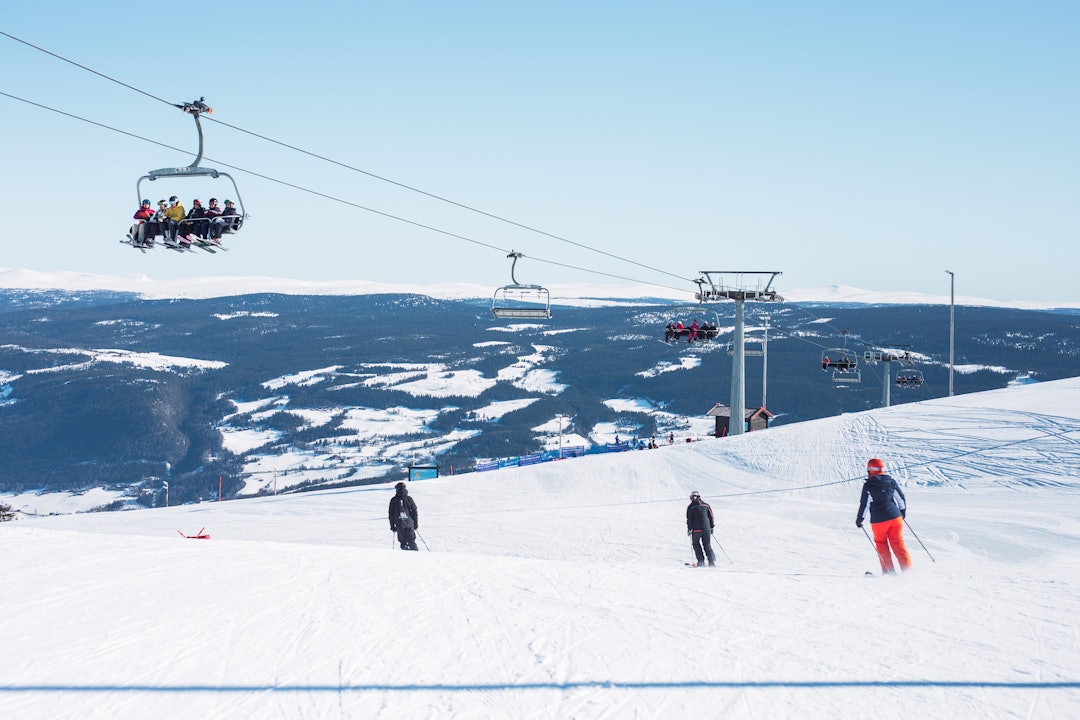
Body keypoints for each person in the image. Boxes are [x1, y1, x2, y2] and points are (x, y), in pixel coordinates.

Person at [856, 458, 912, 573]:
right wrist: (902, 513)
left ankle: (889, 571)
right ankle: (908, 571)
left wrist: (860, 519)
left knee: (881, 544)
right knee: (898, 542)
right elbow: (901, 499)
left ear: (870, 470)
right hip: (895, 517)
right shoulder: (891, 481)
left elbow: (864, 504)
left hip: (879, 521)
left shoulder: (868, 485)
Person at [686, 491, 716, 567]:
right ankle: (712, 562)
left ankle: (701, 562)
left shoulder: (691, 507)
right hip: (706, 528)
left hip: (696, 529)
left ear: (692, 497)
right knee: (707, 544)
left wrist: (689, 529)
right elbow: (711, 517)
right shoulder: (706, 505)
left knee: (696, 544)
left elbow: (689, 519)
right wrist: (711, 527)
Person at [388, 481, 419, 551]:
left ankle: (406, 557)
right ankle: (417, 556)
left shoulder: (393, 500)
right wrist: (416, 523)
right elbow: (414, 511)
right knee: (411, 541)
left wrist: (392, 526)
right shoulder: (409, 499)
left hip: (399, 524)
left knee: (403, 542)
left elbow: (391, 514)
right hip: (409, 523)